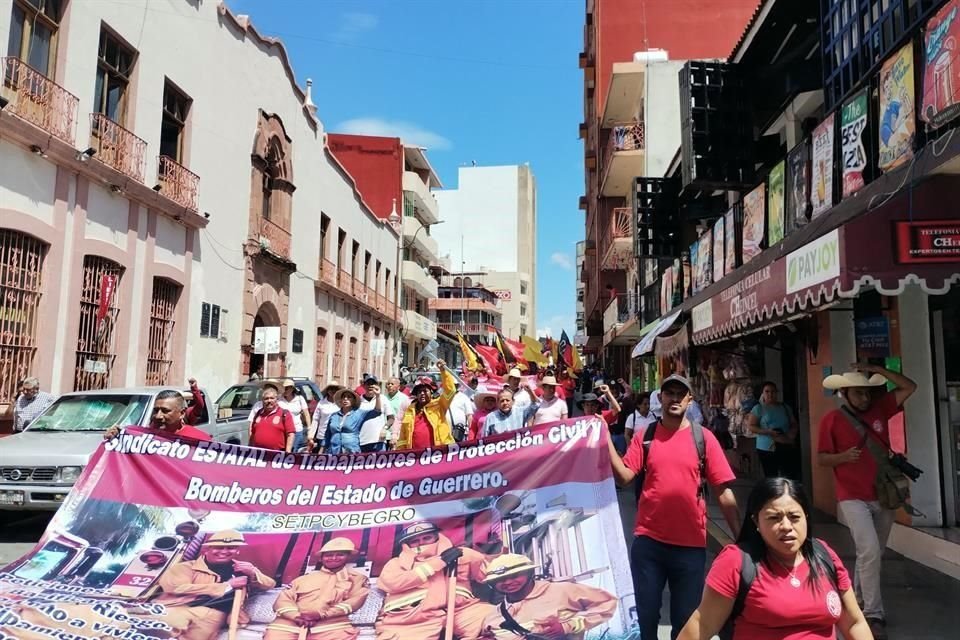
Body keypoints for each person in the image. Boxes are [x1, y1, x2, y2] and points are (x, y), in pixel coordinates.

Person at [607, 374, 741, 640]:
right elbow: (624, 476)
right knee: (645, 617)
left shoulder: (704, 438)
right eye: (670, 393)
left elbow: (723, 491)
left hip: (690, 546)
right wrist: (605, 440)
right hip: (649, 543)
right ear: (661, 398)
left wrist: (742, 537)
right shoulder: (646, 436)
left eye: (681, 393)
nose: (675, 398)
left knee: (685, 621)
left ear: (690, 400)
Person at [678, 478, 872, 640]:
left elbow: (855, 623)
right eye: (774, 518)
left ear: (806, 517)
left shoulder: (824, 556)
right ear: (756, 521)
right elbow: (702, 625)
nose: (786, 525)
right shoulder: (737, 561)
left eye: (794, 516)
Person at [817, 364, 917, 639]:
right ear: (845, 394)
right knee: (870, 550)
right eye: (858, 394)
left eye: (867, 393)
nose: (864, 399)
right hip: (851, 496)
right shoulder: (832, 420)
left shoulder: (881, 408)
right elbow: (822, 458)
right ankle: (874, 614)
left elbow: (910, 386)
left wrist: (878, 370)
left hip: (883, 494)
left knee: (872, 554)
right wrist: (842, 458)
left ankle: (857, 598)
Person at [375, 522, 493, 640]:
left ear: (437, 536)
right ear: (406, 544)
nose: (421, 543)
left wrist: (477, 556)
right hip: (411, 620)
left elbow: (492, 573)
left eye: (427, 538)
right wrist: (437, 563)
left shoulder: (461, 554)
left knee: (500, 620)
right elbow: (393, 583)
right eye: (414, 541)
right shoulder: (396, 563)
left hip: (462, 610)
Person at [152, 530, 276, 640]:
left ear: (237, 550)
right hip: (179, 607)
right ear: (208, 548)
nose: (224, 552)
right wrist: (227, 586)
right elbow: (175, 587)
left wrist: (253, 572)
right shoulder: (185, 567)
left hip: (215, 616)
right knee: (163, 630)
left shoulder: (242, 570)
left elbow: (270, 585)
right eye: (219, 547)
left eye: (230, 548)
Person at [479, 554, 617, 640]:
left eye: (514, 576)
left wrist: (567, 626)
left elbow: (606, 603)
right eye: (501, 580)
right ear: (492, 584)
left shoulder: (561, 591)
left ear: (529, 573)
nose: (508, 582)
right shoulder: (493, 617)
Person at [265, 538, 369, 640]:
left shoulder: (358, 579)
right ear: (321, 558)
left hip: (332, 627)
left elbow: (355, 602)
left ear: (348, 557)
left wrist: (322, 615)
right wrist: (296, 616)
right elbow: (283, 600)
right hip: (287, 626)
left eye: (340, 554)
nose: (333, 558)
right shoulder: (303, 579)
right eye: (328, 555)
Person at [104, 389, 212, 441]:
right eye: (156, 410)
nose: (158, 416)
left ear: (182, 413)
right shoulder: (141, 438)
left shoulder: (199, 440)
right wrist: (115, 438)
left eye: (165, 411)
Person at [395, 360, 456, 450]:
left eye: (425, 391)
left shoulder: (439, 405)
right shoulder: (410, 410)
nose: (422, 394)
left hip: (438, 455)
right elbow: (403, 437)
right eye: (419, 392)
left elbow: (450, 391)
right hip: (414, 457)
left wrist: (443, 371)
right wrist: (400, 454)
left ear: (431, 392)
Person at [748, 381, 799, 478]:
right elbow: (751, 426)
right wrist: (767, 431)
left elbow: (793, 423)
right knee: (771, 477)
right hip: (766, 447)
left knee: (788, 475)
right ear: (762, 393)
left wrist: (792, 434)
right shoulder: (758, 408)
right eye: (767, 391)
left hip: (785, 444)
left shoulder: (785, 407)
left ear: (777, 393)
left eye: (773, 391)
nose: (770, 394)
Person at [324, 387, 383, 454]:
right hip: (334, 451)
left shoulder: (359, 413)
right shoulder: (333, 416)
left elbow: (377, 411)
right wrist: (322, 450)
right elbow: (327, 435)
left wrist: (377, 396)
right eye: (344, 397)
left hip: (352, 451)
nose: (346, 399)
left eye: (349, 397)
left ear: (353, 400)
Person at [249, 382, 297, 452]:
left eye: (272, 398)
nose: (269, 401)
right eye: (266, 398)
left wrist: (288, 452)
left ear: (276, 399)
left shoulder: (284, 414)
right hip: (258, 455)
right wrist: (250, 448)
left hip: (277, 456)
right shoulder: (258, 413)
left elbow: (290, 434)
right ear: (262, 400)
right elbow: (252, 433)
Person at [358, 376, 395, 452]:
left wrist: (385, 428)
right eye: (368, 383)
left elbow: (391, 418)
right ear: (364, 385)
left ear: (377, 385)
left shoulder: (383, 398)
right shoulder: (358, 400)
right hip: (361, 441)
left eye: (373, 383)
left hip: (379, 441)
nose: (370, 386)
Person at [309, 381, 342, 452]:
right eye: (331, 388)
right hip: (322, 435)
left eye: (335, 389)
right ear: (327, 390)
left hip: (337, 435)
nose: (333, 391)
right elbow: (315, 419)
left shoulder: (341, 403)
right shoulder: (321, 403)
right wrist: (311, 436)